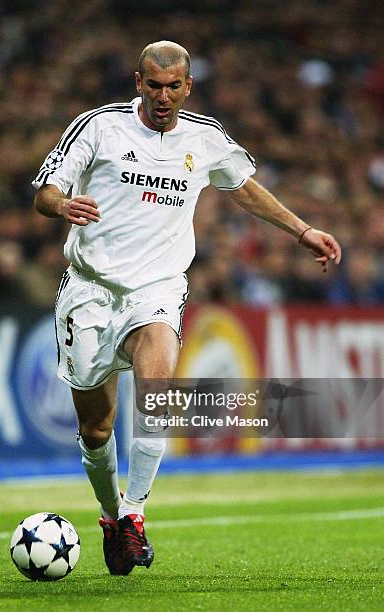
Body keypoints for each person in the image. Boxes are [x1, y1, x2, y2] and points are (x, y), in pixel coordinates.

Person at [32, 40, 341, 575]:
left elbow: (245, 189)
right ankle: (110, 516)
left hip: (157, 288)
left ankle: (134, 515)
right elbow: (44, 191)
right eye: (154, 85)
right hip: (90, 290)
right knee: (97, 431)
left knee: (157, 391)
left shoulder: (206, 138)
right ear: (138, 82)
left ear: (188, 86)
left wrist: (303, 230)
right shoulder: (99, 127)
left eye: (174, 86)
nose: (163, 96)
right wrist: (63, 203)